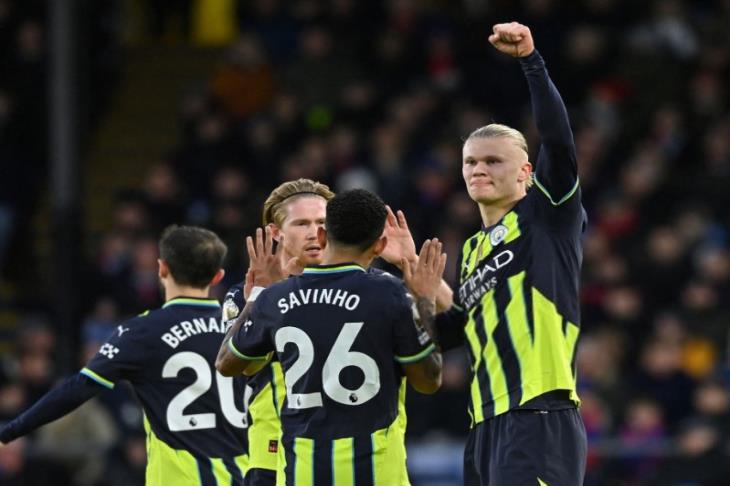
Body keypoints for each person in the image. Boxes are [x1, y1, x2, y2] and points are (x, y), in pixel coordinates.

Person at [220, 178, 453, 485]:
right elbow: (243, 367)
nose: (312, 233)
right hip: (274, 453)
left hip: (347, 450)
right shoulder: (250, 295)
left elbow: (450, 316)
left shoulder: (371, 286)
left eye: (319, 222)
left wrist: (408, 261)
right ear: (276, 231)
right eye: (301, 223)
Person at [433, 23, 588, 485]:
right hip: (484, 424)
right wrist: (411, 274)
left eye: (492, 161)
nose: (478, 169)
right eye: (471, 162)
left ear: (525, 172)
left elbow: (559, 142)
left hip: (538, 411)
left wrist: (531, 62)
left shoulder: (547, 214)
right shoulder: (473, 248)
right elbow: (454, 332)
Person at [0, 225, 249, 485]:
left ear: (162, 269)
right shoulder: (244, 330)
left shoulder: (140, 331)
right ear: (218, 276)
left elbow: (78, 388)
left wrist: (10, 431)